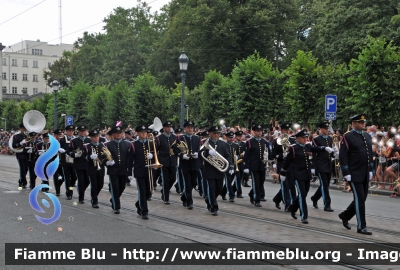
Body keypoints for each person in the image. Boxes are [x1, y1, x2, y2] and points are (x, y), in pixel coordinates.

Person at [280, 129, 333, 224]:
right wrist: (283, 172)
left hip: (307, 174)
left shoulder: (308, 146)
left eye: (306, 137)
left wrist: (324, 148)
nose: (305, 139)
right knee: (302, 195)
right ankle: (304, 216)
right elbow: (287, 161)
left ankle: (292, 207)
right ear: (298, 138)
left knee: (304, 193)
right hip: (298, 174)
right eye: (303, 138)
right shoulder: (293, 148)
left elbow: (315, 149)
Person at [339, 114, 373, 235]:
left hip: (364, 172)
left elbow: (370, 155)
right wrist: (346, 172)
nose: (363, 124)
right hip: (353, 173)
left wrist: (370, 169)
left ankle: (345, 215)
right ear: (353, 124)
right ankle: (361, 226)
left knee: (362, 198)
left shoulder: (367, 136)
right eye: (360, 122)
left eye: (364, 122)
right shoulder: (347, 137)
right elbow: (343, 156)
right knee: (359, 199)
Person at [201, 126, 233, 216]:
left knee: (219, 188)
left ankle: (209, 200)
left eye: (217, 133)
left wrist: (230, 166)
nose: (216, 135)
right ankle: (213, 207)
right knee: (211, 188)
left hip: (219, 171)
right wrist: (207, 153)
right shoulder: (205, 143)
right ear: (210, 133)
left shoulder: (223, 144)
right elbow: (200, 154)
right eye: (214, 133)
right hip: (209, 170)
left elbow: (227, 155)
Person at [105, 126, 134, 214]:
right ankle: (116, 206)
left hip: (123, 169)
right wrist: (107, 162)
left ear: (122, 134)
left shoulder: (127, 144)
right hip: (113, 170)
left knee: (122, 187)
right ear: (113, 135)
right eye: (116, 133)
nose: (118, 135)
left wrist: (130, 171)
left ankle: (114, 199)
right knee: (115, 188)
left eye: (120, 133)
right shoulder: (108, 145)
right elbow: (103, 157)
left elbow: (130, 158)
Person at [310, 121, 334, 212]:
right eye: (325, 129)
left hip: (328, 164)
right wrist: (323, 148)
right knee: (324, 185)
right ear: (320, 129)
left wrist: (333, 155)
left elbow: (330, 150)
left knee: (326, 185)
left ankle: (315, 198)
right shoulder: (316, 139)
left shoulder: (330, 139)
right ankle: (327, 204)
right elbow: (313, 149)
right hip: (320, 164)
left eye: (327, 128)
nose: (327, 130)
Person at [272, 123, 296, 210]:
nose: (286, 132)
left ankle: (278, 199)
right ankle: (287, 204)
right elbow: (274, 154)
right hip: (282, 165)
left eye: (287, 130)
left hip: (291, 165)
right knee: (285, 186)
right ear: (281, 130)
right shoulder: (276, 140)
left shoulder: (293, 140)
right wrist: (283, 155)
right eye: (284, 130)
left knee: (292, 186)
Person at [177, 120, 200, 209]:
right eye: (188, 128)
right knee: (187, 183)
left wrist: (197, 153)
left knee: (193, 183)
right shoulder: (180, 138)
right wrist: (182, 155)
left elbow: (199, 149)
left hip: (194, 163)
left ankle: (184, 196)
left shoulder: (197, 138)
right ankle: (189, 202)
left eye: (191, 128)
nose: (190, 129)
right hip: (185, 164)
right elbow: (175, 150)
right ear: (185, 129)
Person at [133, 125, 155, 219]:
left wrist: (152, 156)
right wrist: (129, 172)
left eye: (145, 132)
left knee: (149, 192)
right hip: (140, 170)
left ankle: (139, 204)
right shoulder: (134, 144)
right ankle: (144, 211)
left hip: (150, 170)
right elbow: (131, 158)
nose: (144, 133)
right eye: (142, 132)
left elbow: (156, 154)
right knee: (142, 191)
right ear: (137, 133)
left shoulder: (151, 143)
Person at [244, 124, 268, 207]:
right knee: (256, 183)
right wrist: (246, 166)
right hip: (254, 166)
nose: (259, 133)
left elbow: (268, 153)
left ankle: (251, 193)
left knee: (261, 182)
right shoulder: (249, 142)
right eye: (258, 131)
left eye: (260, 131)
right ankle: (256, 199)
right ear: (253, 132)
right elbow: (246, 155)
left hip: (262, 165)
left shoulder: (264, 142)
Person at [156, 120, 179, 204]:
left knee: (173, 178)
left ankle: (164, 191)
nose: (169, 128)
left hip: (172, 161)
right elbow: (156, 149)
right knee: (165, 180)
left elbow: (176, 148)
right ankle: (166, 198)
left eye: (170, 127)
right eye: (168, 127)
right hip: (163, 161)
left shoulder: (174, 137)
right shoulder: (159, 138)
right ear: (164, 128)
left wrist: (179, 154)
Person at [68, 125, 91, 203]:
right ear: (78, 132)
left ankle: (80, 191)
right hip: (78, 164)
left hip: (87, 164)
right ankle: (81, 198)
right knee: (81, 180)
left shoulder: (89, 140)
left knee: (87, 181)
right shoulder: (74, 141)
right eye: (81, 131)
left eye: (84, 131)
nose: (82, 133)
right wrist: (74, 155)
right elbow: (69, 151)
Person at [87, 129, 105, 208]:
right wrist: (89, 157)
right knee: (94, 185)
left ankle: (94, 196)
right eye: (94, 137)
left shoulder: (102, 145)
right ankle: (94, 200)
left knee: (100, 185)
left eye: (97, 136)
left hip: (101, 168)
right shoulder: (87, 146)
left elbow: (105, 156)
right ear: (91, 137)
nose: (96, 138)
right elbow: (84, 156)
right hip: (92, 168)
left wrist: (107, 161)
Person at [59, 125, 76, 200]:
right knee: (67, 178)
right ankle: (69, 193)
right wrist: (60, 149)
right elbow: (57, 147)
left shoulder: (76, 139)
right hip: (65, 161)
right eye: (69, 131)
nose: (71, 132)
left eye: (72, 131)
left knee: (74, 177)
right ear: (66, 131)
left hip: (74, 161)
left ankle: (70, 189)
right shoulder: (62, 140)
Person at [221, 131, 238, 202]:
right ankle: (231, 195)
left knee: (231, 181)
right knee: (228, 180)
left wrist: (238, 157)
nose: (231, 139)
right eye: (229, 138)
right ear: (226, 137)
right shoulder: (223, 145)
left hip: (234, 165)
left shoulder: (235, 145)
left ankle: (222, 192)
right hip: (226, 165)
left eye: (232, 138)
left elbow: (238, 154)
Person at [12, 123, 28, 188]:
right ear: (20, 128)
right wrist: (20, 143)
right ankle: (23, 182)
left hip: (26, 154)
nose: (24, 130)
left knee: (26, 169)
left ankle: (21, 180)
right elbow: (14, 145)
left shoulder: (27, 136)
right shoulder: (16, 136)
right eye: (23, 128)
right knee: (22, 168)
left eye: (25, 128)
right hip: (20, 154)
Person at [53, 129, 65, 196]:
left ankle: (58, 186)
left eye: (60, 135)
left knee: (62, 177)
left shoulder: (62, 141)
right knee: (56, 177)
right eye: (57, 135)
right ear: (55, 135)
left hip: (61, 161)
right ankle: (57, 191)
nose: (59, 136)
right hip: (54, 162)